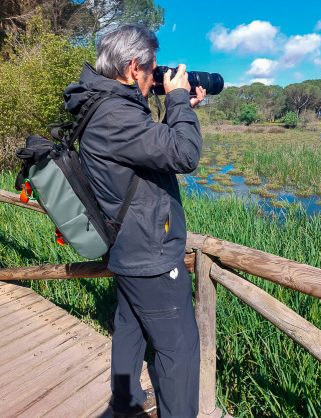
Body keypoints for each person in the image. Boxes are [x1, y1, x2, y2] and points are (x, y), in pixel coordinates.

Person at [64, 24, 205, 418]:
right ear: (131, 68)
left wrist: (180, 108)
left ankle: (125, 405)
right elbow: (184, 156)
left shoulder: (103, 105)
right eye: (152, 70)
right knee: (178, 349)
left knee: (130, 328)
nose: (155, 78)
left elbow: (144, 150)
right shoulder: (115, 113)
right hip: (151, 256)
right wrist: (176, 98)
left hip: (127, 249)